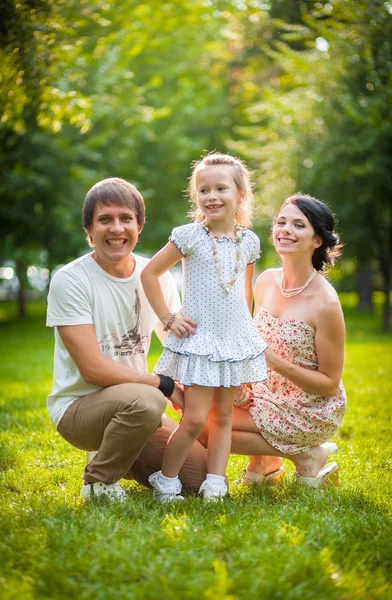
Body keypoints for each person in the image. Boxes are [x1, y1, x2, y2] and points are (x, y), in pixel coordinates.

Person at [46, 177, 207, 502]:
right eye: (105, 220)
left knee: (197, 479)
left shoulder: (154, 277)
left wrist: (202, 384)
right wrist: (162, 384)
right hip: (79, 408)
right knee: (149, 401)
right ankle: (98, 482)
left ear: (139, 226)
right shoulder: (70, 280)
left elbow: (179, 343)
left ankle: (121, 450)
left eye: (125, 219)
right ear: (89, 230)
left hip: (134, 408)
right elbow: (92, 370)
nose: (116, 228)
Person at [141, 152, 267, 502]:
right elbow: (149, 273)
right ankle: (165, 480)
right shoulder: (190, 236)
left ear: (240, 195)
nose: (211, 196)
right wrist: (169, 317)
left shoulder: (250, 242)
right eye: (204, 189)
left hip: (231, 343)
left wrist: (244, 347)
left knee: (224, 417)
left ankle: (216, 481)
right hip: (200, 341)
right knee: (195, 419)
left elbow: (245, 294)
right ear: (196, 196)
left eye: (221, 188)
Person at [229, 194, 347, 488]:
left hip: (308, 406)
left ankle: (307, 456)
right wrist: (243, 381)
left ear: (317, 240)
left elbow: (330, 384)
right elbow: (250, 340)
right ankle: (266, 463)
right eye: (281, 222)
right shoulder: (266, 280)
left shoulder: (326, 303)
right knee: (199, 411)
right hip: (264, 390)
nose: (285, 230)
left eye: (298, 225)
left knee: (211, 428)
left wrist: (272, 360)